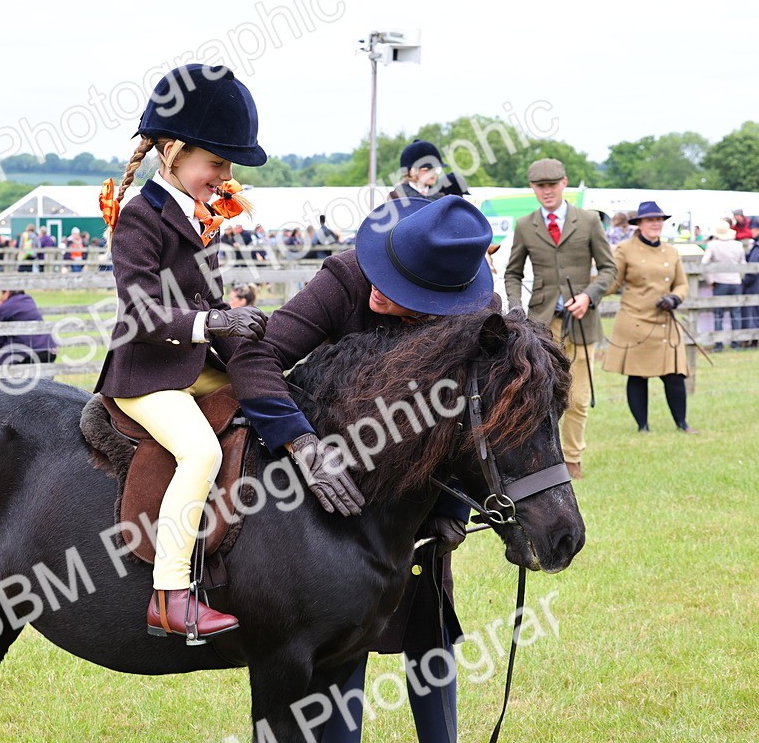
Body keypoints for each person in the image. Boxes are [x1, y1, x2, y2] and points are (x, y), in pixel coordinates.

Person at [228, 194, 495, 743]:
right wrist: (303, 446)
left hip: (414, 495)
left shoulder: (468, 315)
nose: (378, 288)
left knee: (429, 625)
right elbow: (255, 357)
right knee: (340, 637)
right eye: (383, 272)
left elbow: (469, 420)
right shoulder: (346, 278)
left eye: (399, 291)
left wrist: (450, 508)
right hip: (333, 489)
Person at [95, 63, 319, 642]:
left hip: (191, 367)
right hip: (144, 375)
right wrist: (214, 320)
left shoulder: (200, 219)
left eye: (226, 167)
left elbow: (206, 300)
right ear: (172, 152)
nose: (223, 177)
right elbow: (141, 312)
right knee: (199, 454)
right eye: (215, 163)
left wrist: (245, 333)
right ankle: (169, 595)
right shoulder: (140, 218)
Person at [503, 158, 616, 480]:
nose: (547, 191)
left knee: (578, 397)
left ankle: (572, 459)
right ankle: (541, 460)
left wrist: (589, 296)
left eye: (552, 185)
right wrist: (515, 306)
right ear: (533, 189)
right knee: (540, 395)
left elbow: (609, 269)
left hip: (581, 322)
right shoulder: (525, 225)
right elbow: (513, 273)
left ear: (564, 183)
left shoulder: (590, 220)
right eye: (541, 186)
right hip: (540, 325)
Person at [603, 202, 697, 433]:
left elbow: (682, 284)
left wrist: (675, 298)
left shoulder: (671, 251)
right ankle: (642, 426)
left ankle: (682, 424)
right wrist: (589, 293)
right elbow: (613, 282)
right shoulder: (625, 249)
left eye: (659, 219)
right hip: (635, 320)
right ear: (639, 224)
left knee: (675, 374)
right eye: (650, 220)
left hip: (665, 320)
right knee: (638, 375)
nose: (655, 223)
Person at [702, 218, 746, 351]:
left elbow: (704, 264)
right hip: (735, 282)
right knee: (736, 313)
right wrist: (739, 277)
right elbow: (743, 264)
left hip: (719, 282)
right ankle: (736, 343)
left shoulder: (712, 245)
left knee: (718, 314)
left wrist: (710, 280)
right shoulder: (738, 245)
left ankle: (718, 344)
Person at [0, 290, 57, 365]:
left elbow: (0, 338)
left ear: (7, 292)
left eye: (1, 294)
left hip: (30, 353)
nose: (0, 297)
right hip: (49, 348)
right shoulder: (28, 299)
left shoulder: (3, 307)